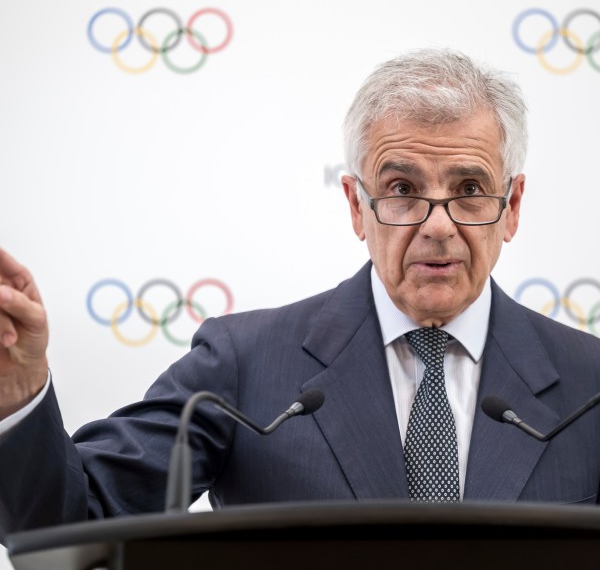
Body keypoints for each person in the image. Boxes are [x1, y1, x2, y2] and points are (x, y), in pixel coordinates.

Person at [1, 49, 599, 541]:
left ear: (511, 207)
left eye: (469, 188)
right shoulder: (243, 365)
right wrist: (19, 392)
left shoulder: (589, 388)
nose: (437, 225)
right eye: (401, 189)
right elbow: (70, 530)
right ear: (356, 206)